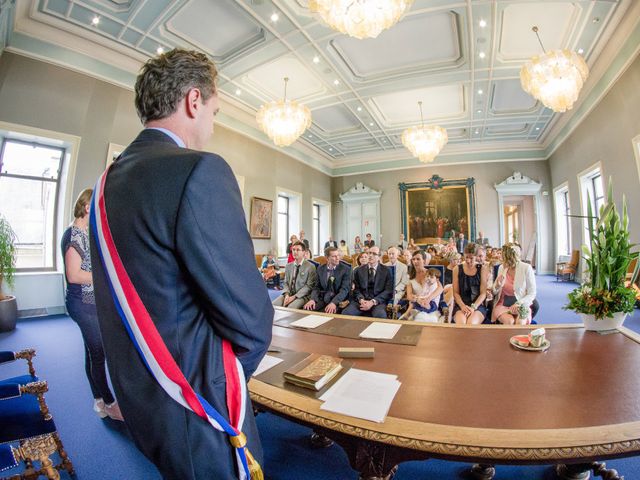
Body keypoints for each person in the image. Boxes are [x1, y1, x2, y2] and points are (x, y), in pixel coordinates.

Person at [89, 49, 273, 480]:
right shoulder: (198, 171)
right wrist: (220, 376)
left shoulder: (105, 183)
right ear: (194, 100)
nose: (212, 122)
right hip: (198, 402)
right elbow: (251, 319)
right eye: (214, 110)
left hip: (140, 394)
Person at [62, 188, 123, 422]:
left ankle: (98, 400)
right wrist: (103, 276)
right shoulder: (74, 235)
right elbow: (74, 275)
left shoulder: (82, 232)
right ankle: (109, 403)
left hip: (88, 302)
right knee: (98, 354)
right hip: (82, 305)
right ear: (88, 208)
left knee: (92, 352)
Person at [491, 243, 536, 325]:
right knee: (509, 321)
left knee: (520, 322)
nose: (504, 262)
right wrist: (498, 285)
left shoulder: (526, 268)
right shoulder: (501, 268)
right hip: (503, 305)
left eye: (505, 259)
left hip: (521, 304)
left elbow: (532, 293)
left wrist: (519, 303)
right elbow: (494, 292)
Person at [343, 246, 393, 318]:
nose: (370, 255)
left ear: (379, 257)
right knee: (346, 313)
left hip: (377, 302)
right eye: (369, 253)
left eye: (374, 254)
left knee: (380, 316)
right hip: (361, 301)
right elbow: (356, 289)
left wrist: (372, 302)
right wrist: (361, 299)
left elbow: (388, 291)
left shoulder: (386, 270)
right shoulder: (358, 270)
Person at [304, 247, 350, 314]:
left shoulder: (346, 269)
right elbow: (316, 287)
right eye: (334, 256)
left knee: (328, 313)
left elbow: (344, 290)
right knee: (307, 309)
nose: (337, 258)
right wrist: (313, 299)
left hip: (338, 299)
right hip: (323, 297)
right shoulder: (320, 269)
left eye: (338, 255)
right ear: (327, 258)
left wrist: (334, 303)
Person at [272, 241, 317, 309]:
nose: (295, 252)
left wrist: (294, 297)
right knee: (273, 306)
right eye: (293, 250)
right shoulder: (288, 266)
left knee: (291, 308)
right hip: (289, 294)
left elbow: (309, 286)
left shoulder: (310, 266)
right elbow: (285, 282)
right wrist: (287, 294)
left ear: (304, 252)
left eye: (298, 250)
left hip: (302, 296)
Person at [402, 252, 444, 323]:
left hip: (430, 304)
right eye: (413, 259)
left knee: (427, 319)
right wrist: (418, 299)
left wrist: (428, 299)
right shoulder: (410, 276)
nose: (415, 261)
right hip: (417, 304)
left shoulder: (430, 274)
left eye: (418, 259)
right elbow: (409, 296)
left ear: (424, 261)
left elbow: (440, 288)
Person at [452, 244, 488, 325]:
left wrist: (473, 307)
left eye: (471, 258)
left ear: (477, 257)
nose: (468, 260)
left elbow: (483, 293)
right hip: (461, 304)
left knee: (471, 323)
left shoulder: (482, 269)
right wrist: (462, 306)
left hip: (477, 305)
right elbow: (456, 293)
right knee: (461, 323)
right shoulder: (457, 269)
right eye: (466, 257)